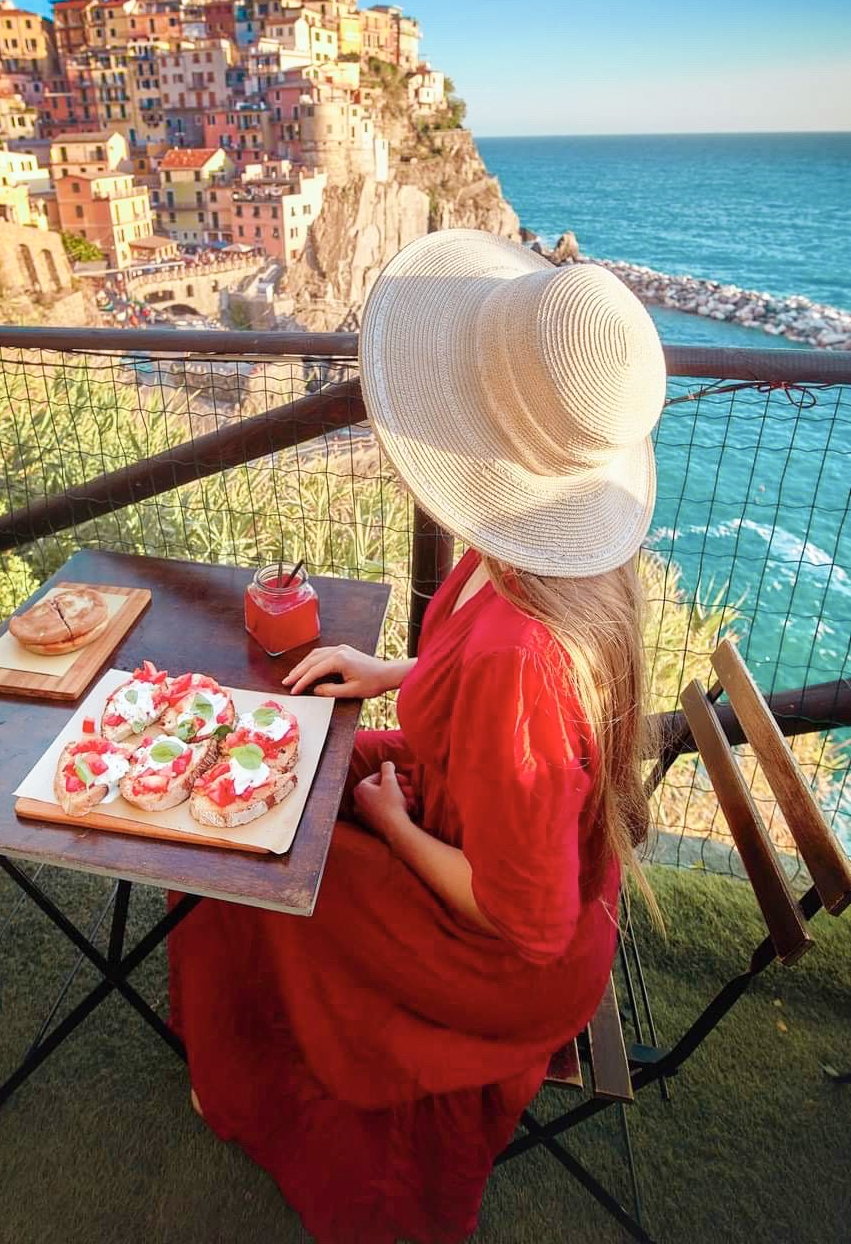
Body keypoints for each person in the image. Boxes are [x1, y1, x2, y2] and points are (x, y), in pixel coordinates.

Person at [169, 228, 667, 1244]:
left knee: (259, 872)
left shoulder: (521, 665)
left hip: (503, 957)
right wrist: (397, 676)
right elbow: (482, 682)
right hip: (492, 843)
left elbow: (521, 922)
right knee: (272, 787)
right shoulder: (550, 561)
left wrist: (390, 826)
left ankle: (259, 1070)